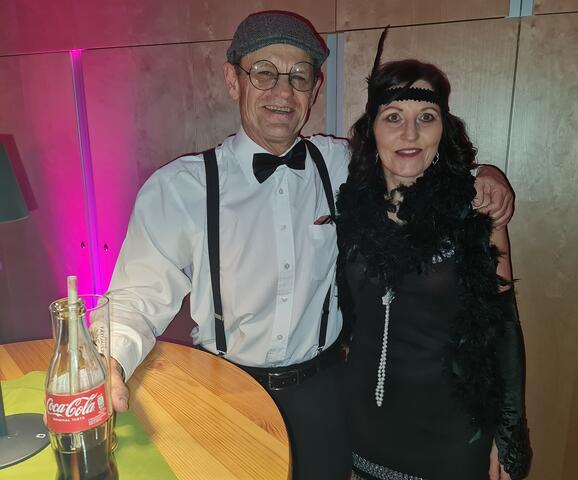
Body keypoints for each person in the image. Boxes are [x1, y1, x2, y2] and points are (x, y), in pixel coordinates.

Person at [101, 11, 516, 480]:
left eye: (299, 76)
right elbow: (134, 299)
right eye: (264, 73)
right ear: (233, 80)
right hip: (226, 388)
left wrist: (483, 177)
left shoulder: (340, 164)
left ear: (315, 88)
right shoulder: (181, 188)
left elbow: (413, 158)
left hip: (325, 393)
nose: (283, 92)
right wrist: (107, 357)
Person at [336, 36, 532, 480]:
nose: (410, 133)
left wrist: (508, 432)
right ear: (372, 130)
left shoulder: (475, 212)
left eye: (426, 117)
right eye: (393, 117)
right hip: (364, 424)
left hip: (451, 435)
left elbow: (502, 325)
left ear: (444, 129)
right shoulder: (351, 207)